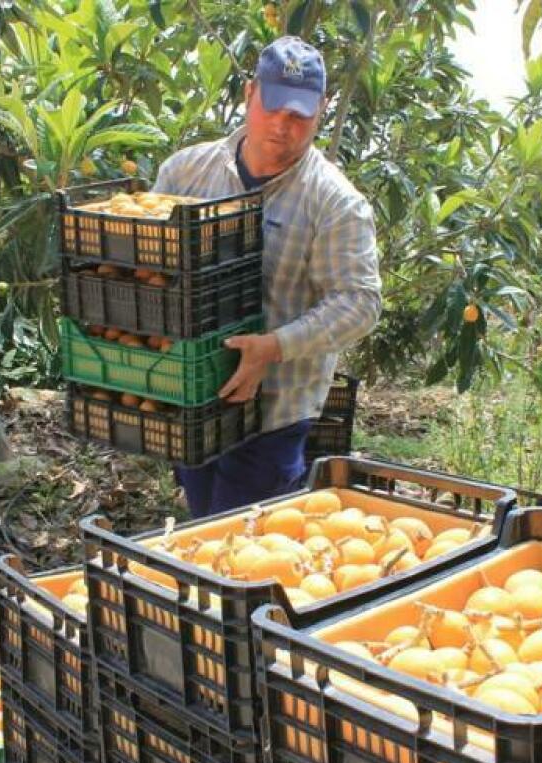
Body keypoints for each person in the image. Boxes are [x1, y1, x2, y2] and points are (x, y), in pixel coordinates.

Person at [154, 36, 381, 519]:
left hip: (274, 415)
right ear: (249, 93)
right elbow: (153, 271)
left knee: (247, 549)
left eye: (300, 114)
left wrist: (272, 347)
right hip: (191, 399)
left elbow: (359, 303)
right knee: (203, 528)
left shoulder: (335, 203)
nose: (283, 124)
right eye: (274, 106)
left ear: (322, 109)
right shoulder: (184, 174)